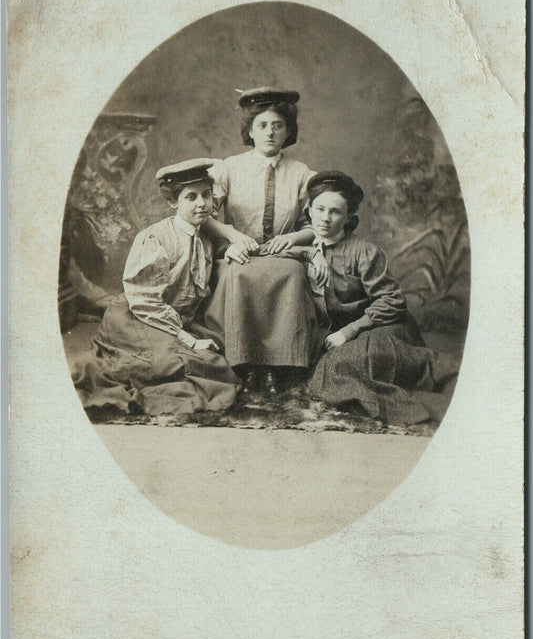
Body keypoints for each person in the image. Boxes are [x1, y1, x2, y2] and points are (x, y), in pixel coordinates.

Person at [271, 171, 459, 425]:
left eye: (335, 212)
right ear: (309, 211)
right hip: (334, 334)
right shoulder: (304, 251)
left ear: (349, 217)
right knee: (312, 371)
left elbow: (392, 302)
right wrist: (305, 253)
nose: (326, 218)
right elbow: (268, 257)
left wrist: (349, 332)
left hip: (381, 328)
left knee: (339, 368)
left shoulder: (365, 252)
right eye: (320, 209)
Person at [72, 159, 241, 416]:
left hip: (170, 318)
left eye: (206, 195)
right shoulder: (155, 238)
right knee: (187, 364)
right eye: (191, 197)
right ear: (174, 203)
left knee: (215, 364)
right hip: (136, 317)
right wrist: (187, 339)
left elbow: (209, 259)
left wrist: (233, 245)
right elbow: (144, 300)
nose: (201, 203)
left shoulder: (205, 236)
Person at [203, 87, 318, 395]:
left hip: (282, 251)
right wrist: (233, 236)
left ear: (288, 131)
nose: (270, 132)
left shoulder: (301, 173)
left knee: (291, 274)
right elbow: (206, 214)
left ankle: (281, 367)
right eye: (263, 125)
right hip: (238, 249)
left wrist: (292, 237)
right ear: (250, 131)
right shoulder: (228, 167)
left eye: (278, 125)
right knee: (240, 273)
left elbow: (314, 224)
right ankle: (247, 366)